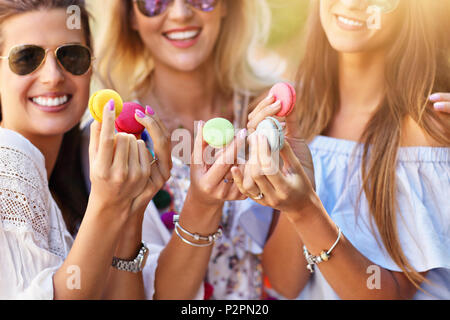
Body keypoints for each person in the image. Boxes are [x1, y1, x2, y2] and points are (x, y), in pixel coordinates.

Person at [232, 0, 450, 299]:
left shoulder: (429, 127)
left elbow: (385, 295)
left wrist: (305, 208)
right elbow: (283, 283)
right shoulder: (294, 114)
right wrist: (293, 188)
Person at [94, 0, 280, 299]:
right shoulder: (115, 139)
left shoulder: (270, 114)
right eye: (154, 2)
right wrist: (202, 206)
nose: (180, 14)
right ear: (130, 16)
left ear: (226, 7)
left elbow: (290, 280)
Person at [0, 0, 171, 299]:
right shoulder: (7, 159)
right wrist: (107, 203)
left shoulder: (81, 163)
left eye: (72, 56)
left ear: (91, 66)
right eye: (26, 58)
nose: (53, 76)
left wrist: (130, 211)